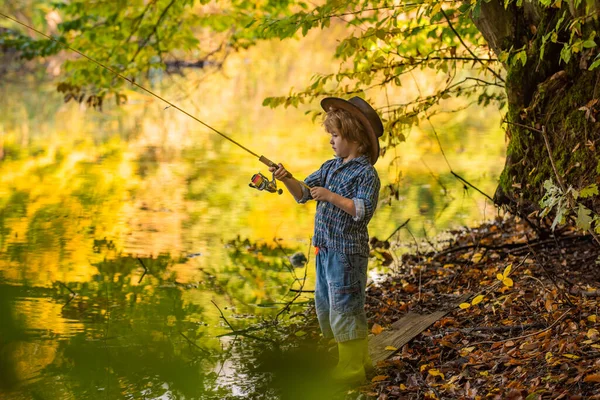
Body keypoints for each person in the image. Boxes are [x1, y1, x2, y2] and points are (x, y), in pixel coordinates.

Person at [269, 96, 383, 384]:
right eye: (330, 135)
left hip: (346, 253)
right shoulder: (329, 167)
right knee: (330, 306)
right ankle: (363, 362)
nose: (331, 141)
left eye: (335, 135)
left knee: (346, 307)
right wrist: (286, 179)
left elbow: (362, 210)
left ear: (355, 137)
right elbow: (304, 194)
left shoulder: (366, 173)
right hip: (325, 250)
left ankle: (350, 369)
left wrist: (331, 196)